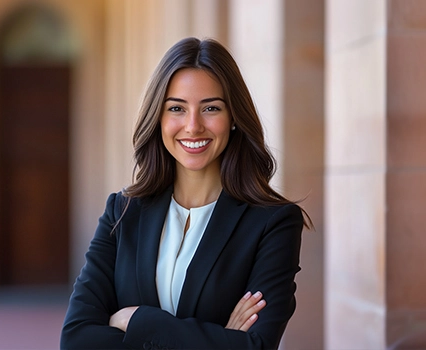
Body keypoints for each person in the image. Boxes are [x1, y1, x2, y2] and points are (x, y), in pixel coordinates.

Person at [60, 37, 310, 350]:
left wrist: (136, 320)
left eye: (211, 108)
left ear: (233, 118)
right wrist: (222, 339)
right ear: (159, 117)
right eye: (177, 108)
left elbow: (256, 346)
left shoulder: (272, 223)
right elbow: (77, 339)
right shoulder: (122, 212)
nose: (193, 126)